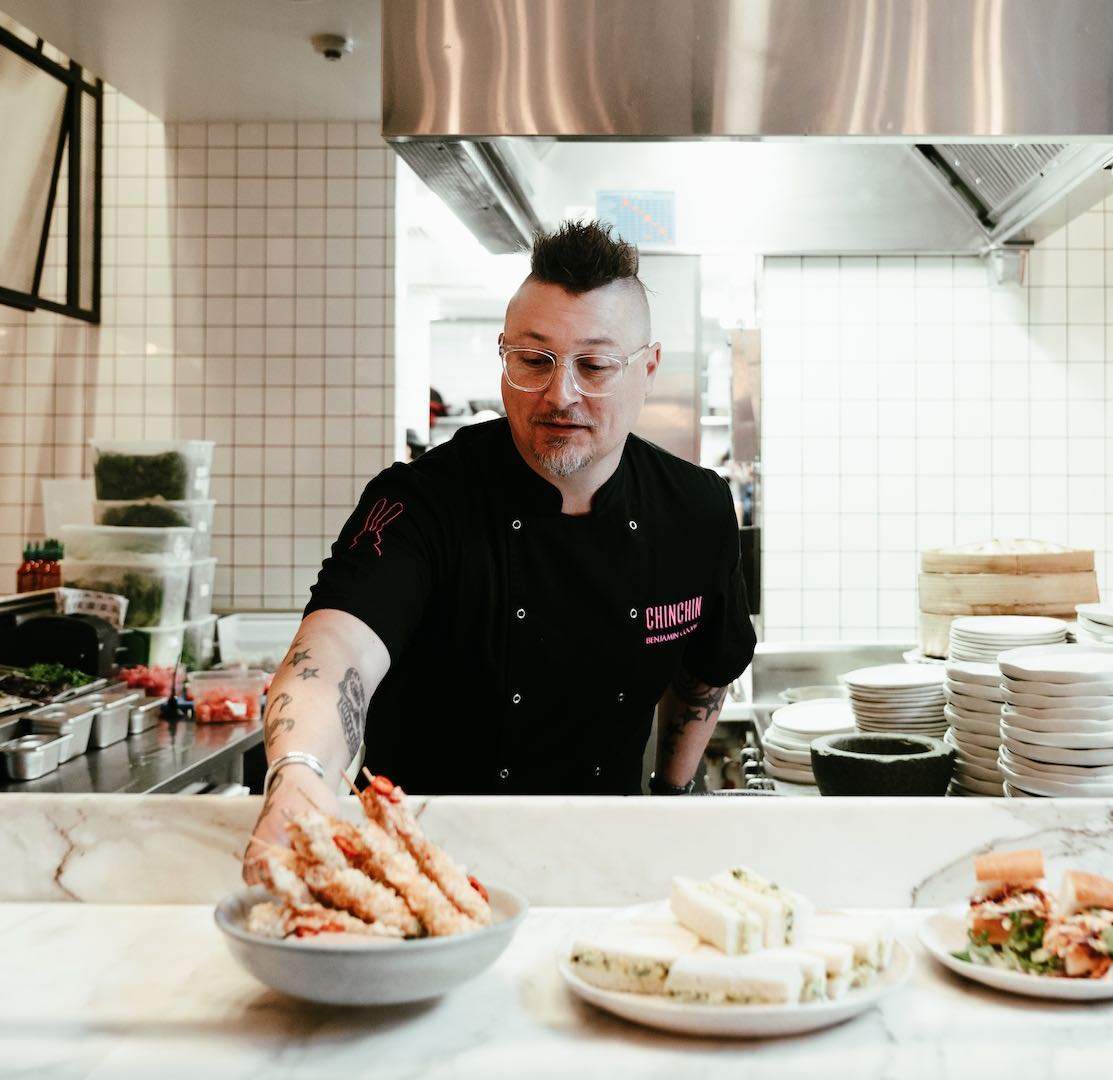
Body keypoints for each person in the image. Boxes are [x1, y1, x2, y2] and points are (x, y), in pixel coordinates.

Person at [247, 220, 756, 870]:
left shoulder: (695, 509)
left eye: (595, 365)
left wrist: (669, 796)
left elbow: (706, 673)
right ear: (505, 354)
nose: (560, 394)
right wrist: (298, 775)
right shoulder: (422, 501)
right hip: (425, 868)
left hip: (609, 856)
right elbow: (338, 647)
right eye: (534, 360)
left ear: (648, 368)